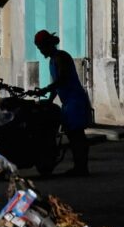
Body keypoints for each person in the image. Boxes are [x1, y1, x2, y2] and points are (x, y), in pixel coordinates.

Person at [32, 30, 93, 176]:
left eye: (41, 48)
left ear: (47, 45)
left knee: (77, 135)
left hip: (75, 101)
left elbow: (62, 79)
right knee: (72, 135)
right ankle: (79, 166)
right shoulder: (53, 60)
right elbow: (57, 84)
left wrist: (45, 90)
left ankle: (81, 167)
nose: (41, 51)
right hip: (68, 102)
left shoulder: (61, 57)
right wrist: (50, 99)